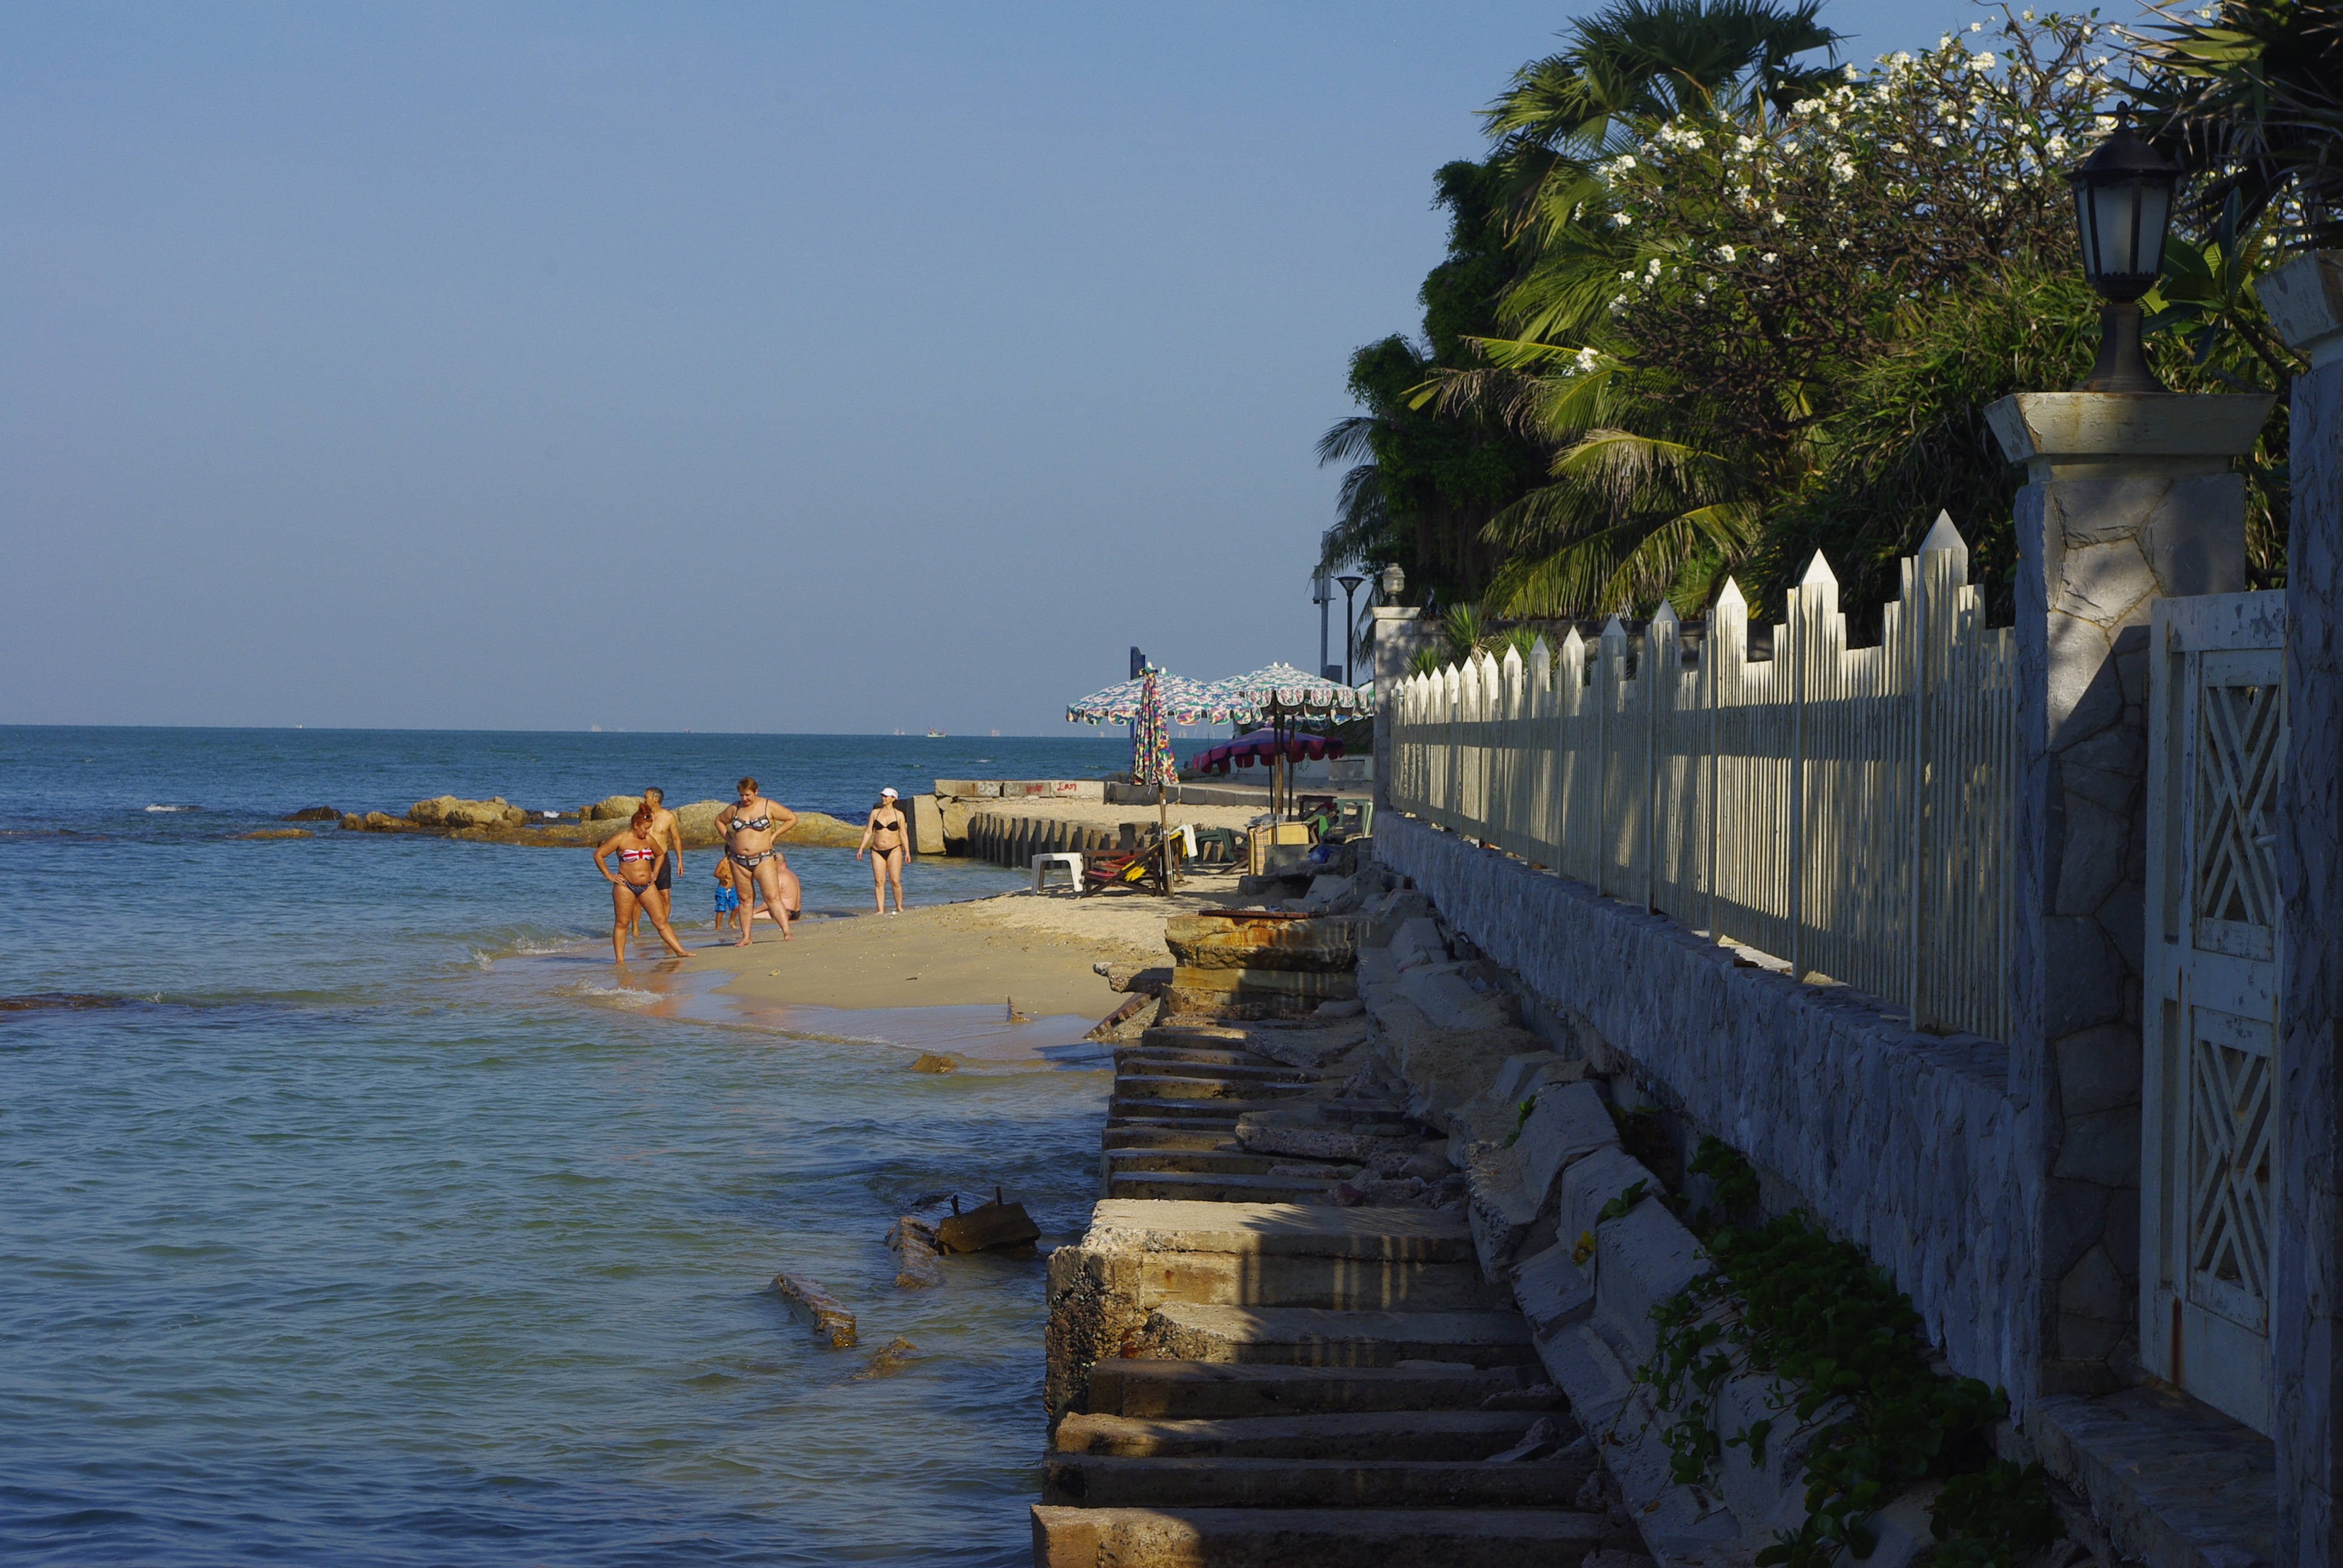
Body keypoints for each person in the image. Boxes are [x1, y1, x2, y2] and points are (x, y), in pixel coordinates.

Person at [594, 803, 690, 961]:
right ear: (636, 824)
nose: (647, 832)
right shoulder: (621, 839)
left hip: (647, 886)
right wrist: (608, 875)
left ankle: (680, 951)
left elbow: (660, 855)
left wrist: (656, 872)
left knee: (660, 921)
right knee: (622, 923)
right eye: (645, 828)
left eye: (650, 828)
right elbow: (599, 854)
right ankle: (620, 960)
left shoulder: (648, 840)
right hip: (625, 886)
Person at [713, 776, 799, 946]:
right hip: (738, 860)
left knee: (772, 896)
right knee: (745, 899)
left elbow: (792, 818)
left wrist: (774, 835)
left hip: (763, 858)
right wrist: (729, 840)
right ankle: (746, 937)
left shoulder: (768, 805)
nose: (744, 799)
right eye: (742, 795)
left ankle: (787, 931)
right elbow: (719, 821)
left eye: (748, 795)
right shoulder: (735, 808)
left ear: (756, 792)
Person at [628, 786, 686, 939]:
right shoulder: (642, 816)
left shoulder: (668, 817)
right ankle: (635, 930)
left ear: (656, 799)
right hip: (643, 859)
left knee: (664, 896)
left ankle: (663, 927)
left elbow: (676, 839)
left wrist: (680, 860)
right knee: (638, 896)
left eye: (646, 797)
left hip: (662, 859)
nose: (643, 799)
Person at [856, 787, 910, 915]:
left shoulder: (899, 815)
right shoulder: (875, 813)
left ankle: (899, 907)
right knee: (879, 882)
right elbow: (869, 831)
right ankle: (880, 910)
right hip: (876, 851)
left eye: (886, 796)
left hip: (895, 849)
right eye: (883, 796)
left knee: (895, 881)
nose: (883, 798)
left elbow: (903, 834)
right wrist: (861, 849)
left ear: (893, 799)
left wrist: (907, 852)